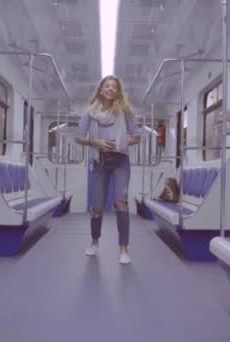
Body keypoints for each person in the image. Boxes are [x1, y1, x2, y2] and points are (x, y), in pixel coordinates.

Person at [75, 75, 140, 264]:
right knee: (97, 205)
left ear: (117, 92)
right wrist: (95, 142)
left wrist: (121, 142)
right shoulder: (90, 112)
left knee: (121, 202)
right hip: (99, 160)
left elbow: (136, 137)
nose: (110, 89)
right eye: (107, 86)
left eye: (114, 87)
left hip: (120, 160)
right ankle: (94, 242)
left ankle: (123, 249)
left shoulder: (125, 111)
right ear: (101, 89)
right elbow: (79, 137)